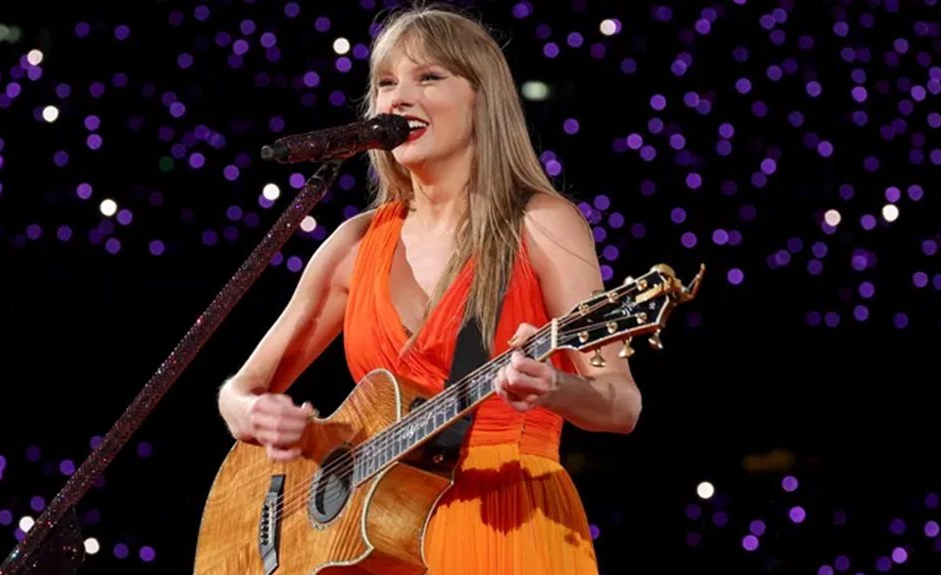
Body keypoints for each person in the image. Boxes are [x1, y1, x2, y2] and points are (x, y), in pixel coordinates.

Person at [217, 4, 641, 573]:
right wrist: (253, 413)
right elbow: (240, 391)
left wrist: (554, 387)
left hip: (509, 524)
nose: (398, 99)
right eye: (386, 83)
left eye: (429, 77)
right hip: (373, 546)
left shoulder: (541, 224)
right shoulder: (354, 245)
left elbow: (621, 404)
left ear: (482, 99)